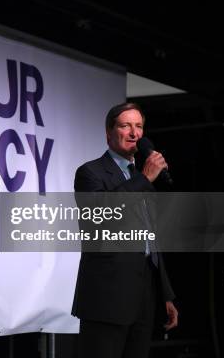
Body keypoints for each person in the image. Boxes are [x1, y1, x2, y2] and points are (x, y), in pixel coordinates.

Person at [72, 102, 178, 358]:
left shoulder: (142, 178)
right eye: (125, 126)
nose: (134, 133)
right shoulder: (90, 172)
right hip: (106, 296)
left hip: (143, 293)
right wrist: (143, 178)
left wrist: (165, 293)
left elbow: (149, 240)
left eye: (139, 126)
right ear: (108, 133)